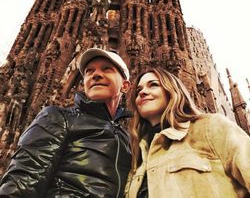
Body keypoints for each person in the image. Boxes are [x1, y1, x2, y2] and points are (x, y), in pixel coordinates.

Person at [0, 48, 132, 198]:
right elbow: (21, 183)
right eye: (89, 71)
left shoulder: (127, 139)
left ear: (125, 85)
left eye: (107, 69)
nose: (96, 75)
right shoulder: (58, 118)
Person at [125, 67, 250, 198]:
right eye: (139, 90)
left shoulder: (210, 128)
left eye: (154, 85)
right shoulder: (137, 154)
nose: (143, 92)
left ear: (172, 91)